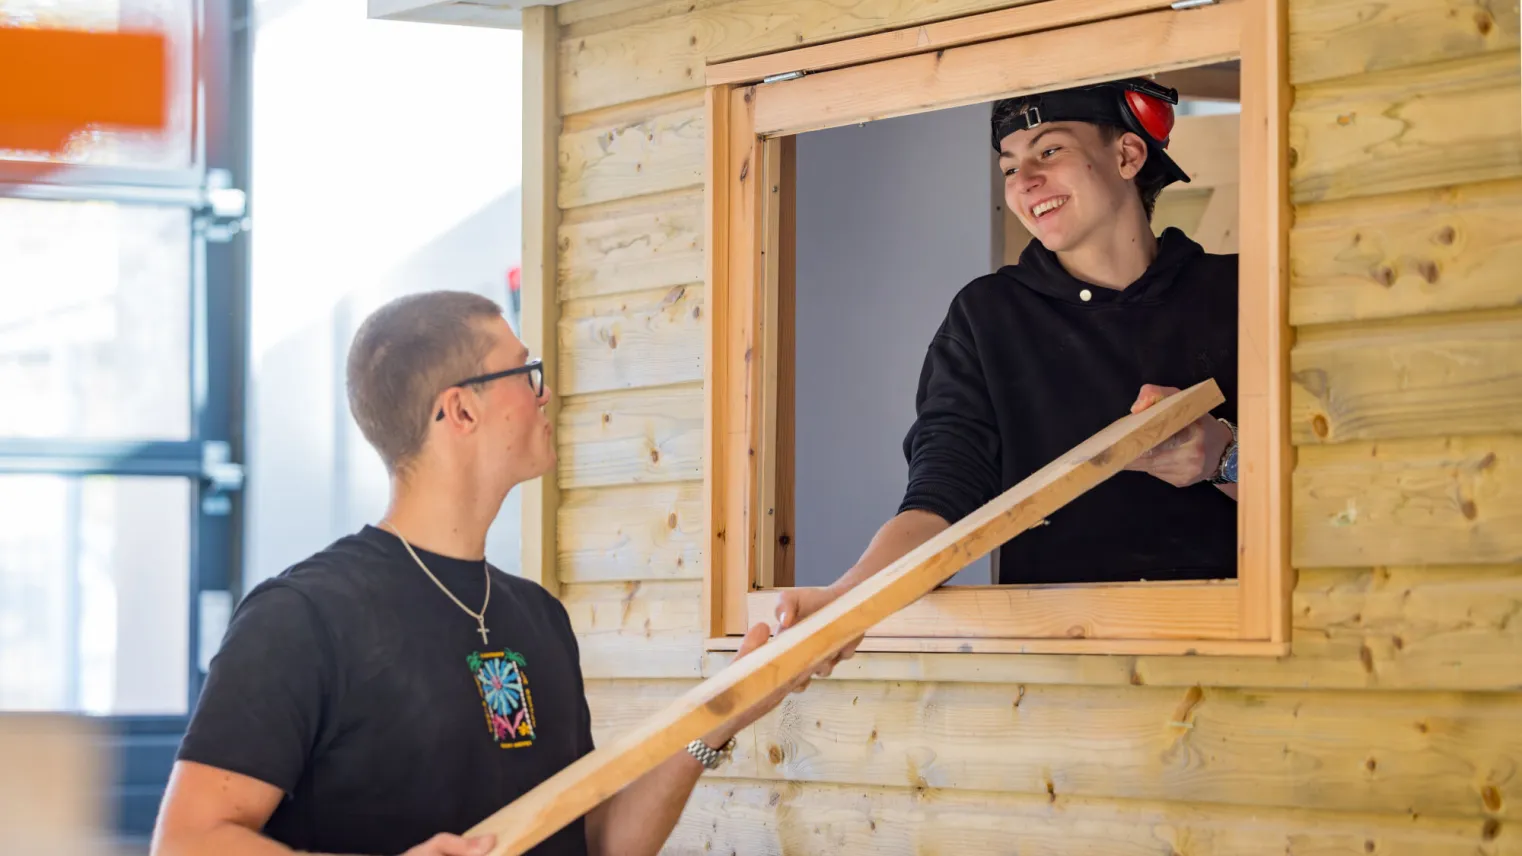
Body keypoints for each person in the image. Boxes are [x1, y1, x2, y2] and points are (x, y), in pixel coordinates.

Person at [151, 291, 800, 856]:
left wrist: (724, 711)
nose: (546, 392)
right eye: (526, 372)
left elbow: (595, 842)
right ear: (460, 411)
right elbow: (186, 843)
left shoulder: (539, 618)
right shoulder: (300, 618)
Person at [777, 77, 1241, 675]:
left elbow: (1344, 489)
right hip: (1059, 669)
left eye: (1050, 151)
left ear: (1127, 155)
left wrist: (1225, 458)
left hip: (1239, 649)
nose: (1024, 182)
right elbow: (939, 501)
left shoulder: (1239, 291)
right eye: (1009, 166)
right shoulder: (987, 319)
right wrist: (846, 603)